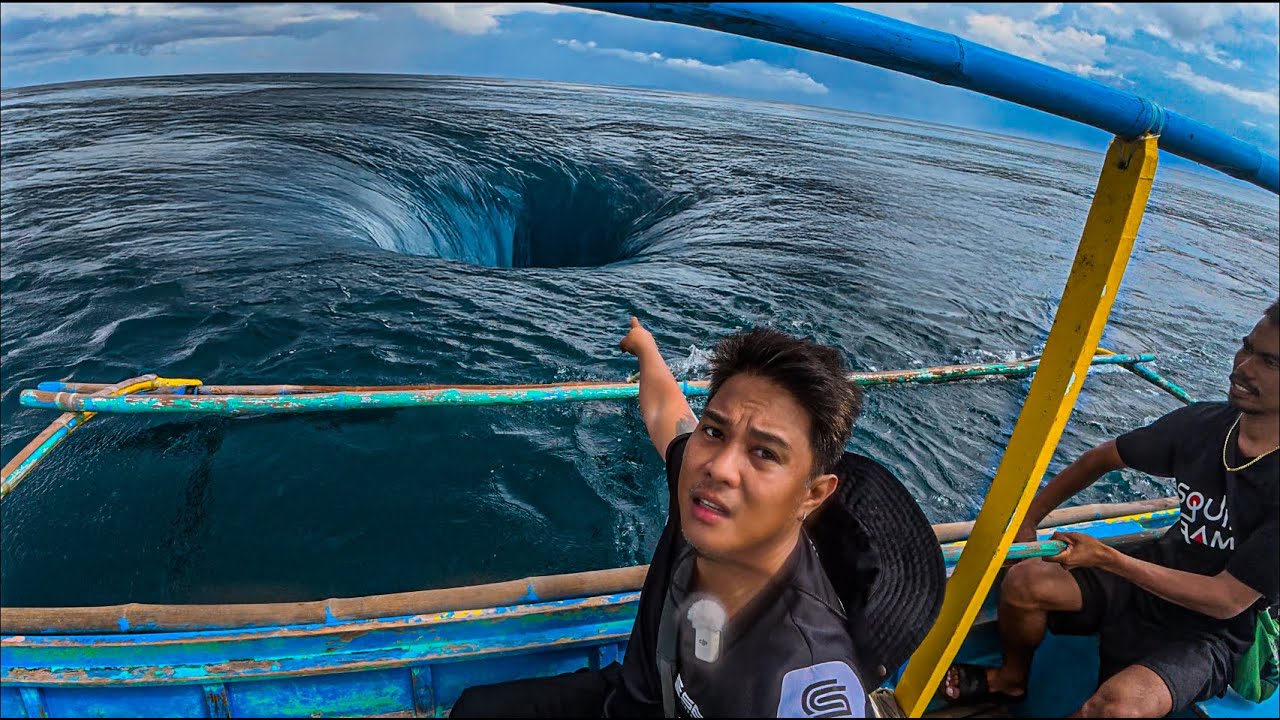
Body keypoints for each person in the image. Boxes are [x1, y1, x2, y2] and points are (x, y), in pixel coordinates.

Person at [451, 318, 945, 717]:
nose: (719, 468)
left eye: (765, 453)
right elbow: (666, 412)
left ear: (812, 495)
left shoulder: (801, 676)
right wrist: (645, 347)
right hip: (633, 698)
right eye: (714, 432)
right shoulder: (705, 495)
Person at [941, 300, 1280, 717]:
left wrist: (1108, 559)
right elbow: (1102, 458)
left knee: (1117, 708)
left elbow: (1226, 599)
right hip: (1151, 574)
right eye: (1247, 348)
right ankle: (1012, 678)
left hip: (1212, 630)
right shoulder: (1204, 425)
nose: (1243, 367)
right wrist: (1028, 519)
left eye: (1269, 362)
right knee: (1025, 583)